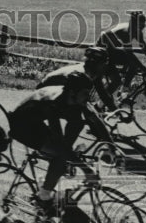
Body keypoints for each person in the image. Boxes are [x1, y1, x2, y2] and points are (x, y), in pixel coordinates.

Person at [8, 71, 110, 214]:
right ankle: (43, 196)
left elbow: (97, 121)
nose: (88, 98)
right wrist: (86, 169)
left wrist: (112, 148)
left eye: (89, 94)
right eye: (85, 93)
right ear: (72, 93)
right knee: (60, 154)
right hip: (22, 125)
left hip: (37, 119)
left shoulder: (76, 98)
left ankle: (55, 171)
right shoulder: (52, 103)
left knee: (78, 121)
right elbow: (59, 142)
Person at [96, 13, 146, 98]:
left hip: (112, 48)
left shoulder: (137, 32)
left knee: (133, 64)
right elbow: (130, 55)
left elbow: (145, 49)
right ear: (134, 24)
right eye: (140, 26)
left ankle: (124, 89)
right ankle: (100, 104)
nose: (142, 28)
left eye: (143, 26)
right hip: (103, 50)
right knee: (116, 81)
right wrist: (144, 70)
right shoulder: (126, 32)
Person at [37, 47, 117, 113]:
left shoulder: (91, 72)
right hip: (44, 93)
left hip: (54, 92)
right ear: (95, 63)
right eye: (103, 63)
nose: (105, 66)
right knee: (76, 116)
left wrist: (116, 110)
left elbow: (102, 93)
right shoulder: (81, 74)